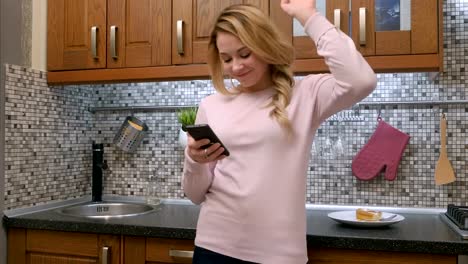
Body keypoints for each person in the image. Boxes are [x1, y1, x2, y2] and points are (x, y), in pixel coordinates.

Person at [182, 0, 377, 263]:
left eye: (245, 54)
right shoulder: (211, 105)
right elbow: (195, 195)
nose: (236, 67)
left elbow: (360, 80)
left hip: (280, 254)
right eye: (226, 59)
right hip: (214, 246)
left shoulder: (306, 94)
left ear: (265, 45)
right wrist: (194, 160)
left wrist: (309, 16)